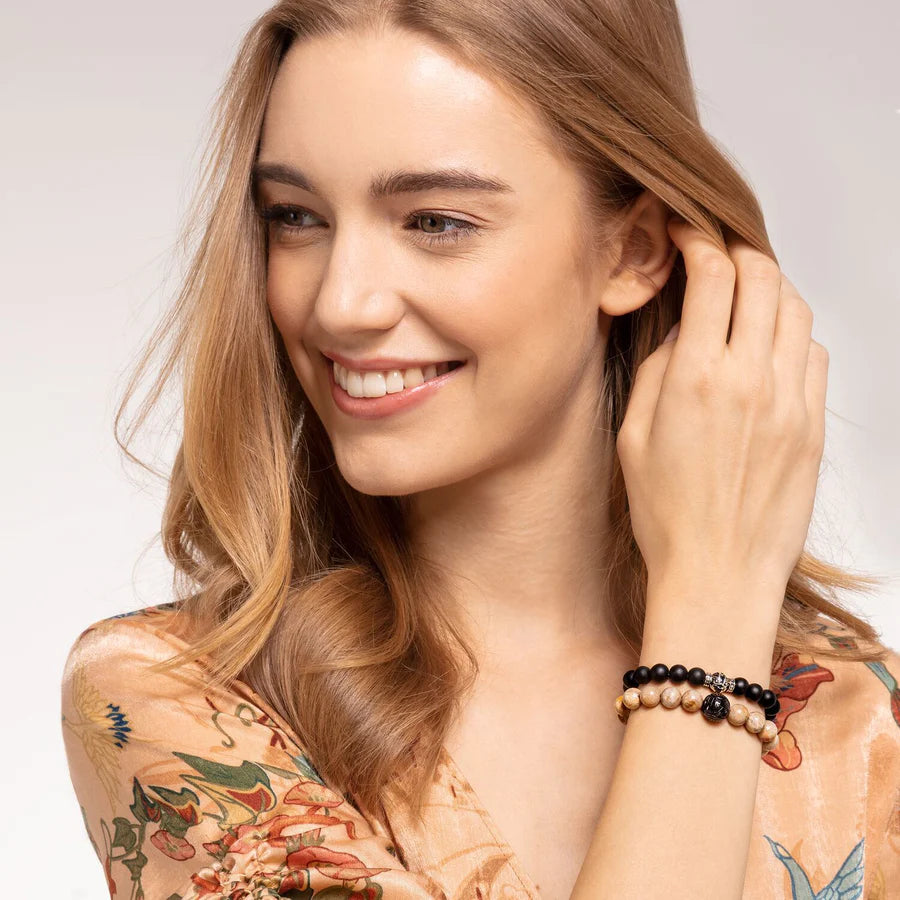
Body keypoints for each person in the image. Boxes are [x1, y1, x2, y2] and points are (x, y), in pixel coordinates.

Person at [60, 2, 900, 898]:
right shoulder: (181, 702)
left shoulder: (865, 728)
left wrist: (718, 600)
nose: (340, 303)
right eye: (296, 216)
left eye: (435, 222)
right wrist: (711, 617)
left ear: (632, 249)